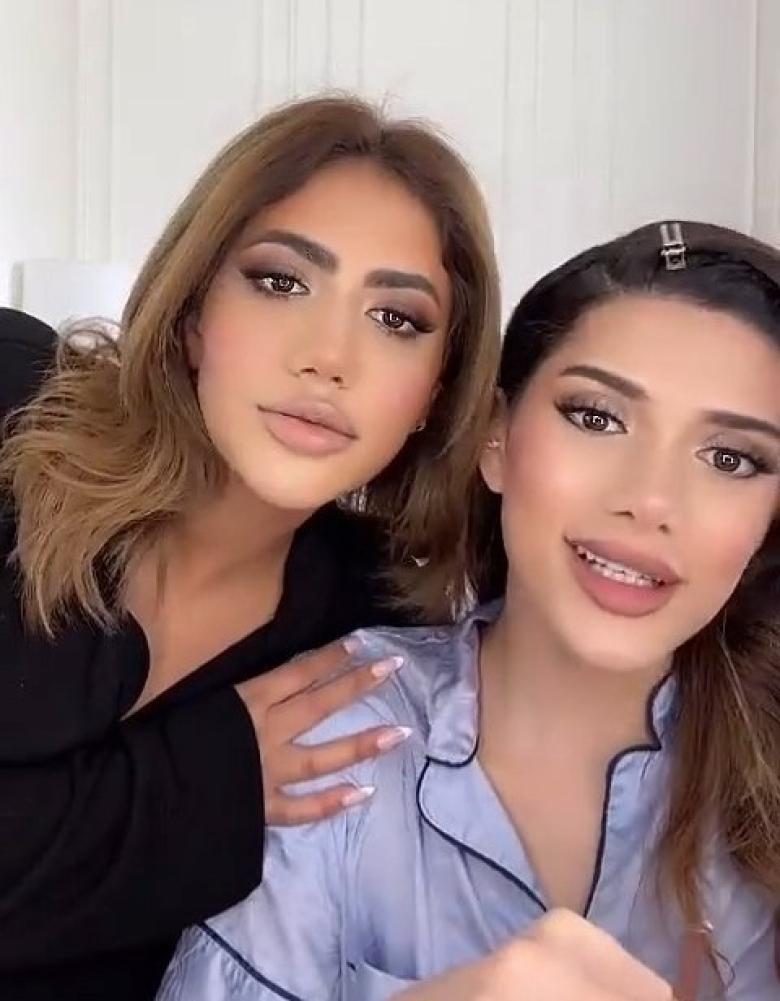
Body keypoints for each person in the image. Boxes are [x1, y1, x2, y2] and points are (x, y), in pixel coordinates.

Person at [159, 219, 780, 1000]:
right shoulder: (337, 733)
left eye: (731, 458)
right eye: (596, 417)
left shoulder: (760, 780)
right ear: (495, 437)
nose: (651, 500)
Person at [0, 95, 500, 999]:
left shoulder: (368, 636)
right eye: (280, 281)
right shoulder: (11, 405)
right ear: (193, 312)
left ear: (436, 390)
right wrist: (205, 785)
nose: (328, 357)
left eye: (397, 319)